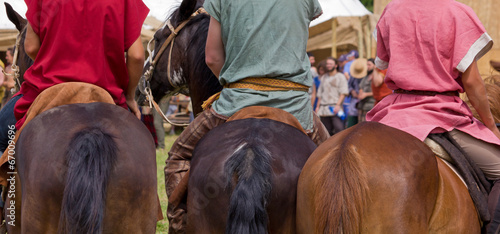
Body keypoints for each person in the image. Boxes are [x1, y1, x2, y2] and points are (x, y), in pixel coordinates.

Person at [164, 0, 328, 232]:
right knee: (335, 165)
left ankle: (181, 225)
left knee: (177, 157)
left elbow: (211, 58)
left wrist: (239, 83)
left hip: (234, 103)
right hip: (295, 107)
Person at [367, 0, 500, 232]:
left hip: (393, 113)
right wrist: (491, 126)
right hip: (440, 113)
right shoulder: (457, 12)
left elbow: (383, 62)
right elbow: (472, 82)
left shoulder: (392, 9)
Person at [0, 0, 149, 154]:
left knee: (1, 136)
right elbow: (137, 56)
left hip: (49, 87)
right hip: (107, 92)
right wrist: (130, 96)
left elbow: (31, 46)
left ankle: (9, 178)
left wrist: (54, 62)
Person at [315, 57, 348, 135]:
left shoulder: (340, 76)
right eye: (327, 64)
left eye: (330, 64)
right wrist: (317, 107)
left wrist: (338, 105)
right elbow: (320, 93)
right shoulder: (323, 77)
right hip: (324, 108)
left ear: (336, 65)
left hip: (334, 107)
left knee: (339, 129)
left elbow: (343, 93)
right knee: (325, 132)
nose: (328, 65)